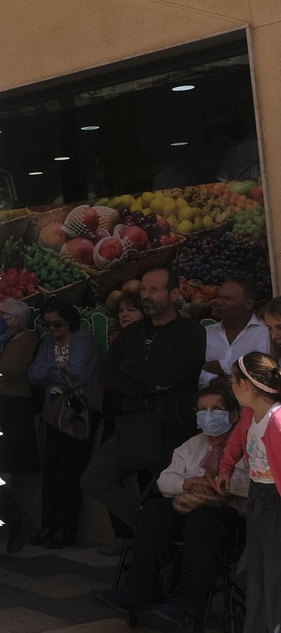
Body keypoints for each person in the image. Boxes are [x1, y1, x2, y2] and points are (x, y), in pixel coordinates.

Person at [94, 386, 248, 625]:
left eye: (216, 410)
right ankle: (138, 591)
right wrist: (188, 484)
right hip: (188, 508)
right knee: (155, 511)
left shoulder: (247, 443)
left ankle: (189, 601)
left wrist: (213, 483)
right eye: (203, 410)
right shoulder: (192, 445)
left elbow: (251, 483)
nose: (208, 415)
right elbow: (166, 481)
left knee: (204, 518)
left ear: (234, 415)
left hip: (228, 517)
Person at [82, 267, 206, 555]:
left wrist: (132, 368)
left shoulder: (191, 332)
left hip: (172, 428)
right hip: (133, 425)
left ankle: (161, 551)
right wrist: (146, 386)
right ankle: (147, 523)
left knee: (165, 492)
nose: (146, 295)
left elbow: (171, 372)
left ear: (173, 294)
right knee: (94, 478)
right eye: (144, 290)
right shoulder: (133, 332)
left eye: (154, 289)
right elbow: (109, 372)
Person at [27, 297, 102, 549]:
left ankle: (66, 529)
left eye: (57, 324)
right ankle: (48, 525)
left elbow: (79, 373)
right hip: (52, 412)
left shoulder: (84, 340)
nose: (52, 329)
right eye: (47, 325)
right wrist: (56, 366)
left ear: (69, 320)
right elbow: (34, 375)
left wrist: (51, 372)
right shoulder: (48, 345)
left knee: (70, 472)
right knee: (51, 472)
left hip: (77, 413)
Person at [215, 352, 281, 633]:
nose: (231, 387)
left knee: (275, 573)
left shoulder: (276, 423)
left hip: (276, 504)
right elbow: (235, 444)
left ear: (246, 384)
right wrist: (226, 467)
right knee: (257, 569)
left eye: (233, 381)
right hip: (258, 498)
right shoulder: (248, 415)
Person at [0, 300, 41, 553]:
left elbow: (9, 369)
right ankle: (11, 516)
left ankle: (10, 517)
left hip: (13, 407)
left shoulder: (27, 339)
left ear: (19, 320)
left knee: (3, 464)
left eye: (4, 315)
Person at [203, 275, 268, 387]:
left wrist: (213, 366)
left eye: (228, 299)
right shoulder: (207, 332)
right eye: (218, 297)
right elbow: (191, 371)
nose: (219, 302)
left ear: (249, 304)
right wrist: (218, 380)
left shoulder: (264, 331)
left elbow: (260, 371)